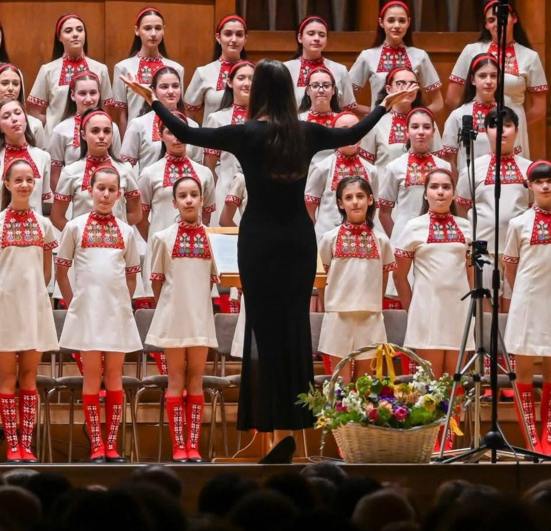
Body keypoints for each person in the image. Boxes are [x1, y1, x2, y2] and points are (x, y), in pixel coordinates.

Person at [121, 58, 409, 437]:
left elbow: (187, 132)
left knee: (262, 326)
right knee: (294, 325)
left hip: (257, 239)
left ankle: (265, 423)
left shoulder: (244, 133)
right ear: (290, 92)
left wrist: (153, 101)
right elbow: (353, 132)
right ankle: (295, 421)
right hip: (297, 239)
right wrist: (384, 105)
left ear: (257, 92)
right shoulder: (305, 132)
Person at [54, 167, 142, 462]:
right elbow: (61, 271)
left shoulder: (127, 231)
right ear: (89, 190)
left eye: (111, 190)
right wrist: (74, 305)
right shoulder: (74, 227)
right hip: (87, 314)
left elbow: (131, 276)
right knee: (92, 377)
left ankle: (112, 445)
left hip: (116, 314)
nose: (105, 194)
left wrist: (122, 303)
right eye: (100, 188)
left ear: (119, 194)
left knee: (115, 376)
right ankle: (96, 445)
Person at [0, 159, 59, 463]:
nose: (24, 185)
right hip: (5, 308)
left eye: (29, 180)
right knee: (7, 377)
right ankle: (12, 444)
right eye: (18, 180)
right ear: (7, 184)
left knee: (29, 376)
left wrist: (35, 294)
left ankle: (27, 444)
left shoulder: (45, 224)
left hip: (34, 307)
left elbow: (47, 271)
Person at [391, 168, 472, 451]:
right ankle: (432, 444)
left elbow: (471, 273)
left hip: (460, 312)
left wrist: (474, 310)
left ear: (454, 193)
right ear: (425, 193)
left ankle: (450, 442)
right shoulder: (413, 227)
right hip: (428, 312)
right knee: (431, 379)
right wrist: (413, 309)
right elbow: (399, 276)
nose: (440, 192)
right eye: (434, 187)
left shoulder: (467, 227)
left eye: (446, 187)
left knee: (455, 379)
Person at [145, 176, 219, 462]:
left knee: (196, 380)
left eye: (194, 195)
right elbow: (157, 281)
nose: (189, 200)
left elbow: (213, 279)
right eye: (183, 196)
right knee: (176, 379)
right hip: (173, 316)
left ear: (202, 199)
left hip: (200, 317)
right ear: (174, 202)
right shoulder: (162, 238)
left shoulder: (213, 237)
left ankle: (193, 446)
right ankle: (178, 446)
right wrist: (170, 306)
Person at [317, 177, 395, 379]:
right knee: (340, 382)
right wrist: (329, 307)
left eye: (360, 196)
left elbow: (384, 277)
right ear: (340, 203)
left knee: (365, 381)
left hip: (371, 315)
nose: (355, 202)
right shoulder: (329, 238)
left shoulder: (382, 240)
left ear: (370, 200)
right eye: (349, 197)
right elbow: (322, 279)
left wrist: (375, 305)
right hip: (338, 314)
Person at [446, 0, 546, 157]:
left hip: (512, 127)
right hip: (476, 127)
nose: (497, 24)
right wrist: (469, 119)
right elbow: (452, 97)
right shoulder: (471, 51)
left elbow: (539, 107)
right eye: (491, 20)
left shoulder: (530, 56)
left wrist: (512, 123)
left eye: (503, 18)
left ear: (514, 19)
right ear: (486, 25)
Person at [454, 107, 532, 299]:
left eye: (507, 125)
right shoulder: (472, 168)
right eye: (495, 126)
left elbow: (533, 207)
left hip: (520, 251)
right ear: (486, 131)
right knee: (486, 307)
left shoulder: (529, 169)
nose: (501, 130)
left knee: (515, 306)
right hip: (484, 251)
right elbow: (462, 206)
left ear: (517, 130)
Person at [502, 160, 551, 453]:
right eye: (539, 181)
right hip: (527, 304)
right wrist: (523, 292)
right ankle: (532, 442)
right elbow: (510, 267)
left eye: (549, 181)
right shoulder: (519, 223)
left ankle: (549, 440)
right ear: (530, 186)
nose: (545, 186)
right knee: (523, 374)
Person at [51, 110, 141, 230]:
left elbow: (136, 213)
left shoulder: (125, 169)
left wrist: (115, 230)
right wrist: (78, 235)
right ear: (83, 135)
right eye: (95, 131)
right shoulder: (70, 172)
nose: (102, 136)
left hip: (117, 239)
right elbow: (57, 217)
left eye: (107, 131)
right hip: (83, 241)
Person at [349, 1, 443, 114]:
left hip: (410, 124)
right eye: (391, 20)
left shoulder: (420, 56)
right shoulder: (367, 56)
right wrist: (374, 113)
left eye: (402, 21)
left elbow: (438, 103)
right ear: (381, 22)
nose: (397, 25)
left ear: (408, 23)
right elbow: (346, 99)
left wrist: (416, 116)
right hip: (379, 123)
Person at [27, 13, 113, 135]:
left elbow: (104, 110)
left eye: (80, 30)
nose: (75, 34)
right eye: (68, 31)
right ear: (59, 37)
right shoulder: (48, 70)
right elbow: (34, 111)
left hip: (91, 138)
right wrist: (52, 128)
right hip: (55, 139)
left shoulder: (100, 69)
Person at [305, 112, 380, 240]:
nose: (351, 135)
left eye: (355, 129)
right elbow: (309, 209)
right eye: (344, 130)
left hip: (360, 239)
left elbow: (372, 209)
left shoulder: (371, 170)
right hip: (325, 238)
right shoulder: (322, 168)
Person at [137, 118, 216, 240]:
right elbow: (140, 218)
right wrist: (156, 243)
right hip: (160, 247)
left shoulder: (205, 173)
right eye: (171, 132)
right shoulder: (149, 173)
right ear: (160, 135)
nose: (177, 137)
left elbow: (206, 217)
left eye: (181, 131)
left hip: (193, 245)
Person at [0, 99, 52, 222]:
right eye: (6, 116)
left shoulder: (43, 157)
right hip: (0, 231)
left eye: (18, 113)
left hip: (34, 229)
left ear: (25, 120)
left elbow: (41, 201)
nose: (14, 119)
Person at [378, 107, 451, 237]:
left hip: (436, 235)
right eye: (415, 127)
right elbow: (384, 213)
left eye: (426, 127)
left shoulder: (444, 166)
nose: (421, 132)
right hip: (404, 236)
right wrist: (397, 240)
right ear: (407, 131)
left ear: (433, 132)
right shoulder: (394, 167)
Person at [111, 7, 185, 133]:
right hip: (136, 134)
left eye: (158, 28)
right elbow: (122, 115)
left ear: (163, 30)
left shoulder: (176, 68)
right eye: (147, 28)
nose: (153, 33)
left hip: (169, 135)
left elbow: (179, 108)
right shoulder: (123, 67)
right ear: (137, 30)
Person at [47, 71, 123, 191]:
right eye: (82, 93)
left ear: (99, 94)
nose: (88, 99)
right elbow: (54, 176)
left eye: (93, 93)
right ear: (73, 95)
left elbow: (117, 166)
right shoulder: (60, 130)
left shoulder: (112, 128)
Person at [121, 66, 202, 173]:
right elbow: (125, 168)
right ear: (154, 91)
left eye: (175, 86)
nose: (171, 91)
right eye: (164, 87)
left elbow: (198, 168)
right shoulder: (138, 124)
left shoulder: (192, 126)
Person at [283, 16, 358, 113]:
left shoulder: (340, 70)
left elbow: (347, 108)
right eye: (311, 34)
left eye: (322, 35)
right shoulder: (285, 69)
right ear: (300, 38)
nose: (317, 38)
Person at [203, 60, 254, 202]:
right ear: (230, 82)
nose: (247, 83)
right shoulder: (217, 119)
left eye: (251, 79)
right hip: (224, 192)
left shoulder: (266, 119)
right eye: (241, 78)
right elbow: (209, 167)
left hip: (257, 194)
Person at [184, 14, 249, 124]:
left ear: (245, 39)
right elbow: (188, 116)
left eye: (239, 34)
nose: (234, 39)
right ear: (218, 37)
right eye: (228, 34)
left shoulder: (255, 74)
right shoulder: (203, 72)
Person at [441, 54, 500, 174]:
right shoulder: (458, 115)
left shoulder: (506, 115)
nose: (489, 81)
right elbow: (448, 160)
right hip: (468, 181)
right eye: (482, 76)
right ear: (473, 80)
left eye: (493, 76)